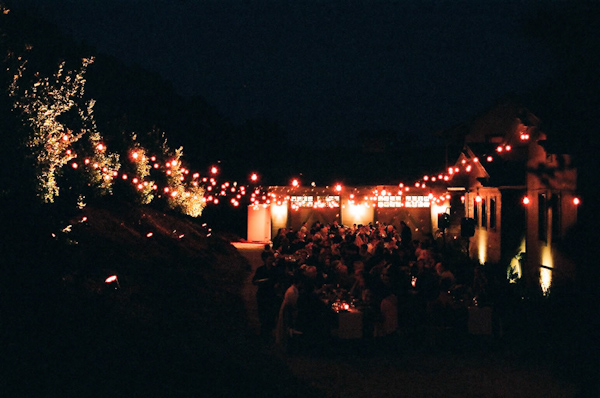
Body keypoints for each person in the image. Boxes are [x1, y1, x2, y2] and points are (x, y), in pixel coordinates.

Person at [252, 251, 280, 342]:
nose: (271, 260)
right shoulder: (260, 270)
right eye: (269, 258)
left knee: (271, 314)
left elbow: (279, 280)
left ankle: (269, 332)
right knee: (263, 314)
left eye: (272, 258)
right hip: (263, 294)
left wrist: (277, 284)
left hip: (271, 294)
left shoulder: (275, 270)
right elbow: (254, 281)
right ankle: (264, 333)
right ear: (265, 259)